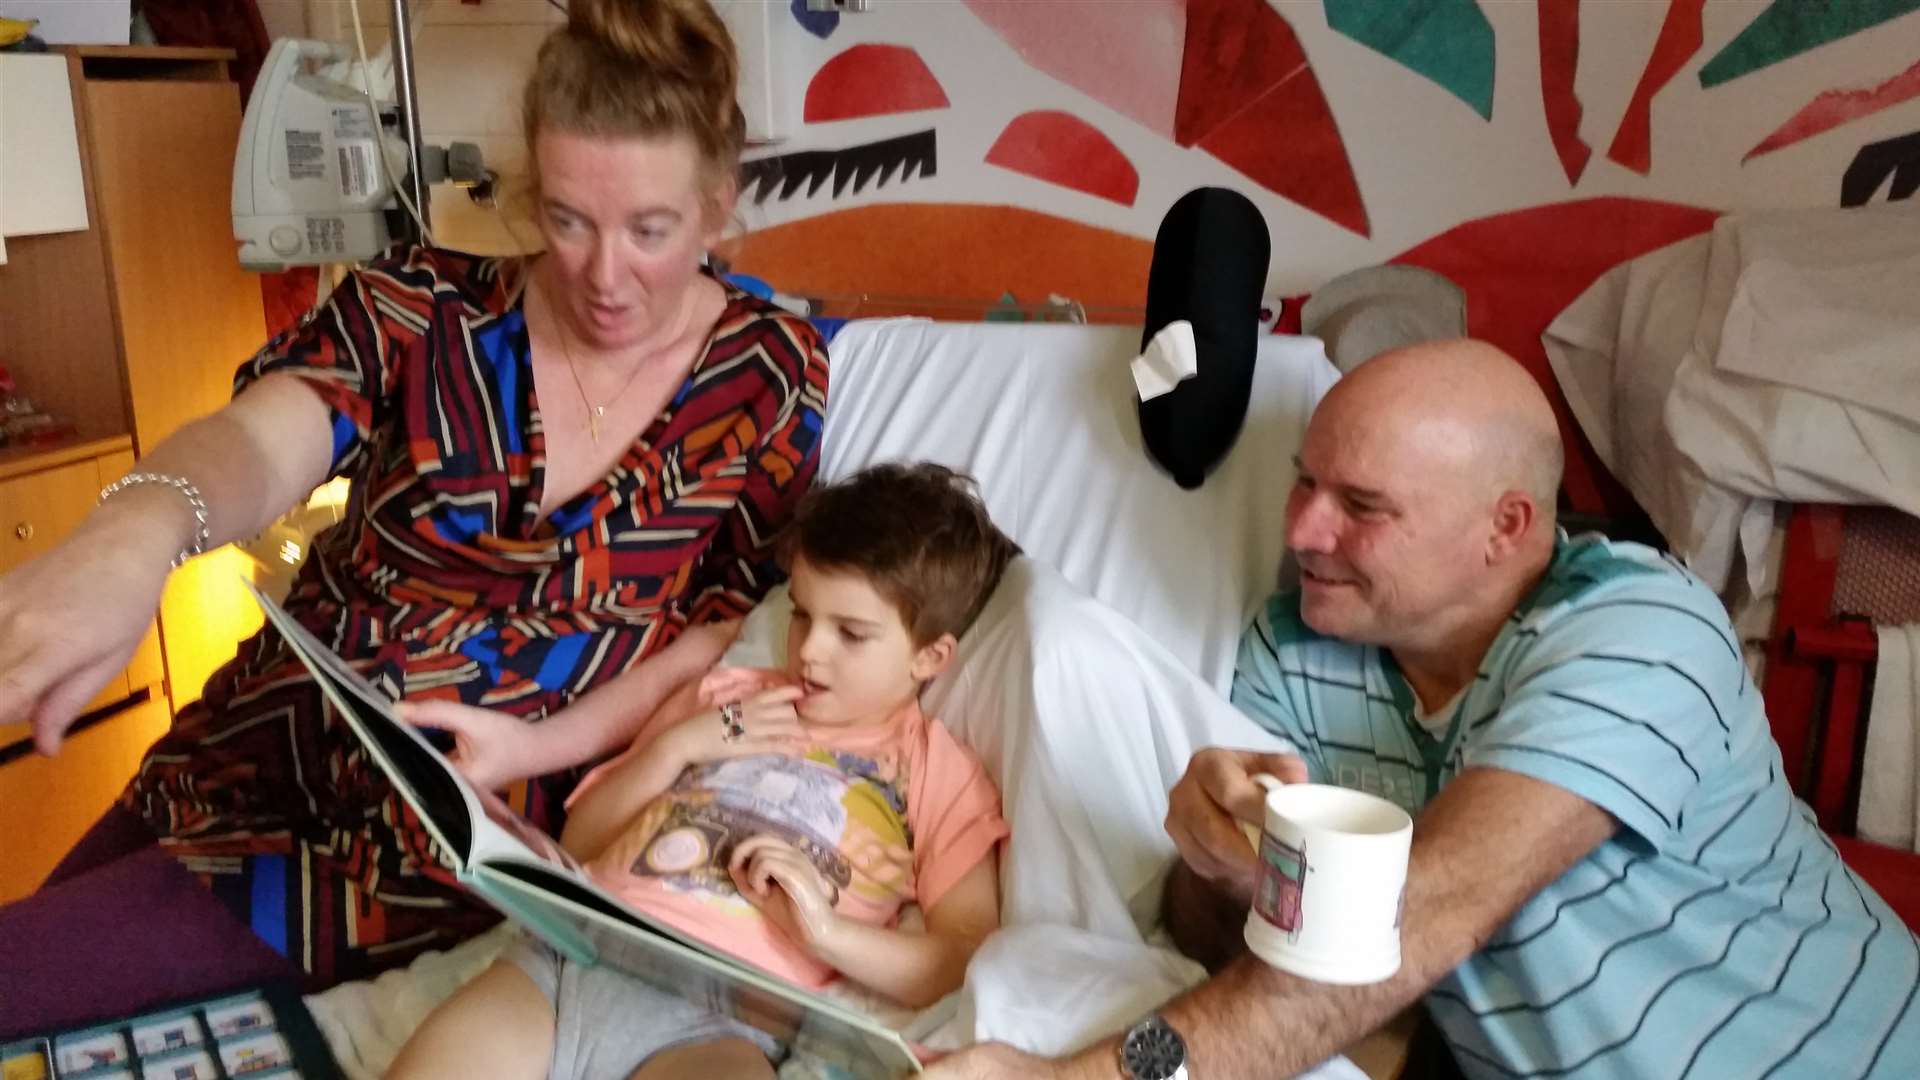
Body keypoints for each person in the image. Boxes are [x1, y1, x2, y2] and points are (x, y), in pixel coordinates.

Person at [0, 0, 828, 989]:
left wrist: (553, 745)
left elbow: (732, 620)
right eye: (567, 220)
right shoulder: (420, 305)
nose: (606, 276)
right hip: (254, 744)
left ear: (719, 200)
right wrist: (139, 526)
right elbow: (262, 439)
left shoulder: (768, 372)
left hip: (442, 828)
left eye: (651, 229)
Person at [926, 340, 1920, 1078]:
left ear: (1507, 529)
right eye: (1304, 484)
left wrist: (1096, 1077)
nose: (1305, 530)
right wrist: (1218, 867)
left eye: (1361, 508)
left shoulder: (1635, 632)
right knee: (1028, 976)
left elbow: (1405, 926)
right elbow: (1244, 959)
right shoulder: (1295, 648)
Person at [386, 462, 1015, 1080]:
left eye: (850, 633)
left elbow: (960, 956)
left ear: (931, 657)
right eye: (799, 613)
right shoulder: (726, 694)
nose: (811, 649)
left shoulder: (933, 768)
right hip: (572, 959)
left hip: (725, 1020)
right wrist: (676, 749)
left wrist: (826, 934)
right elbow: (580, 842)